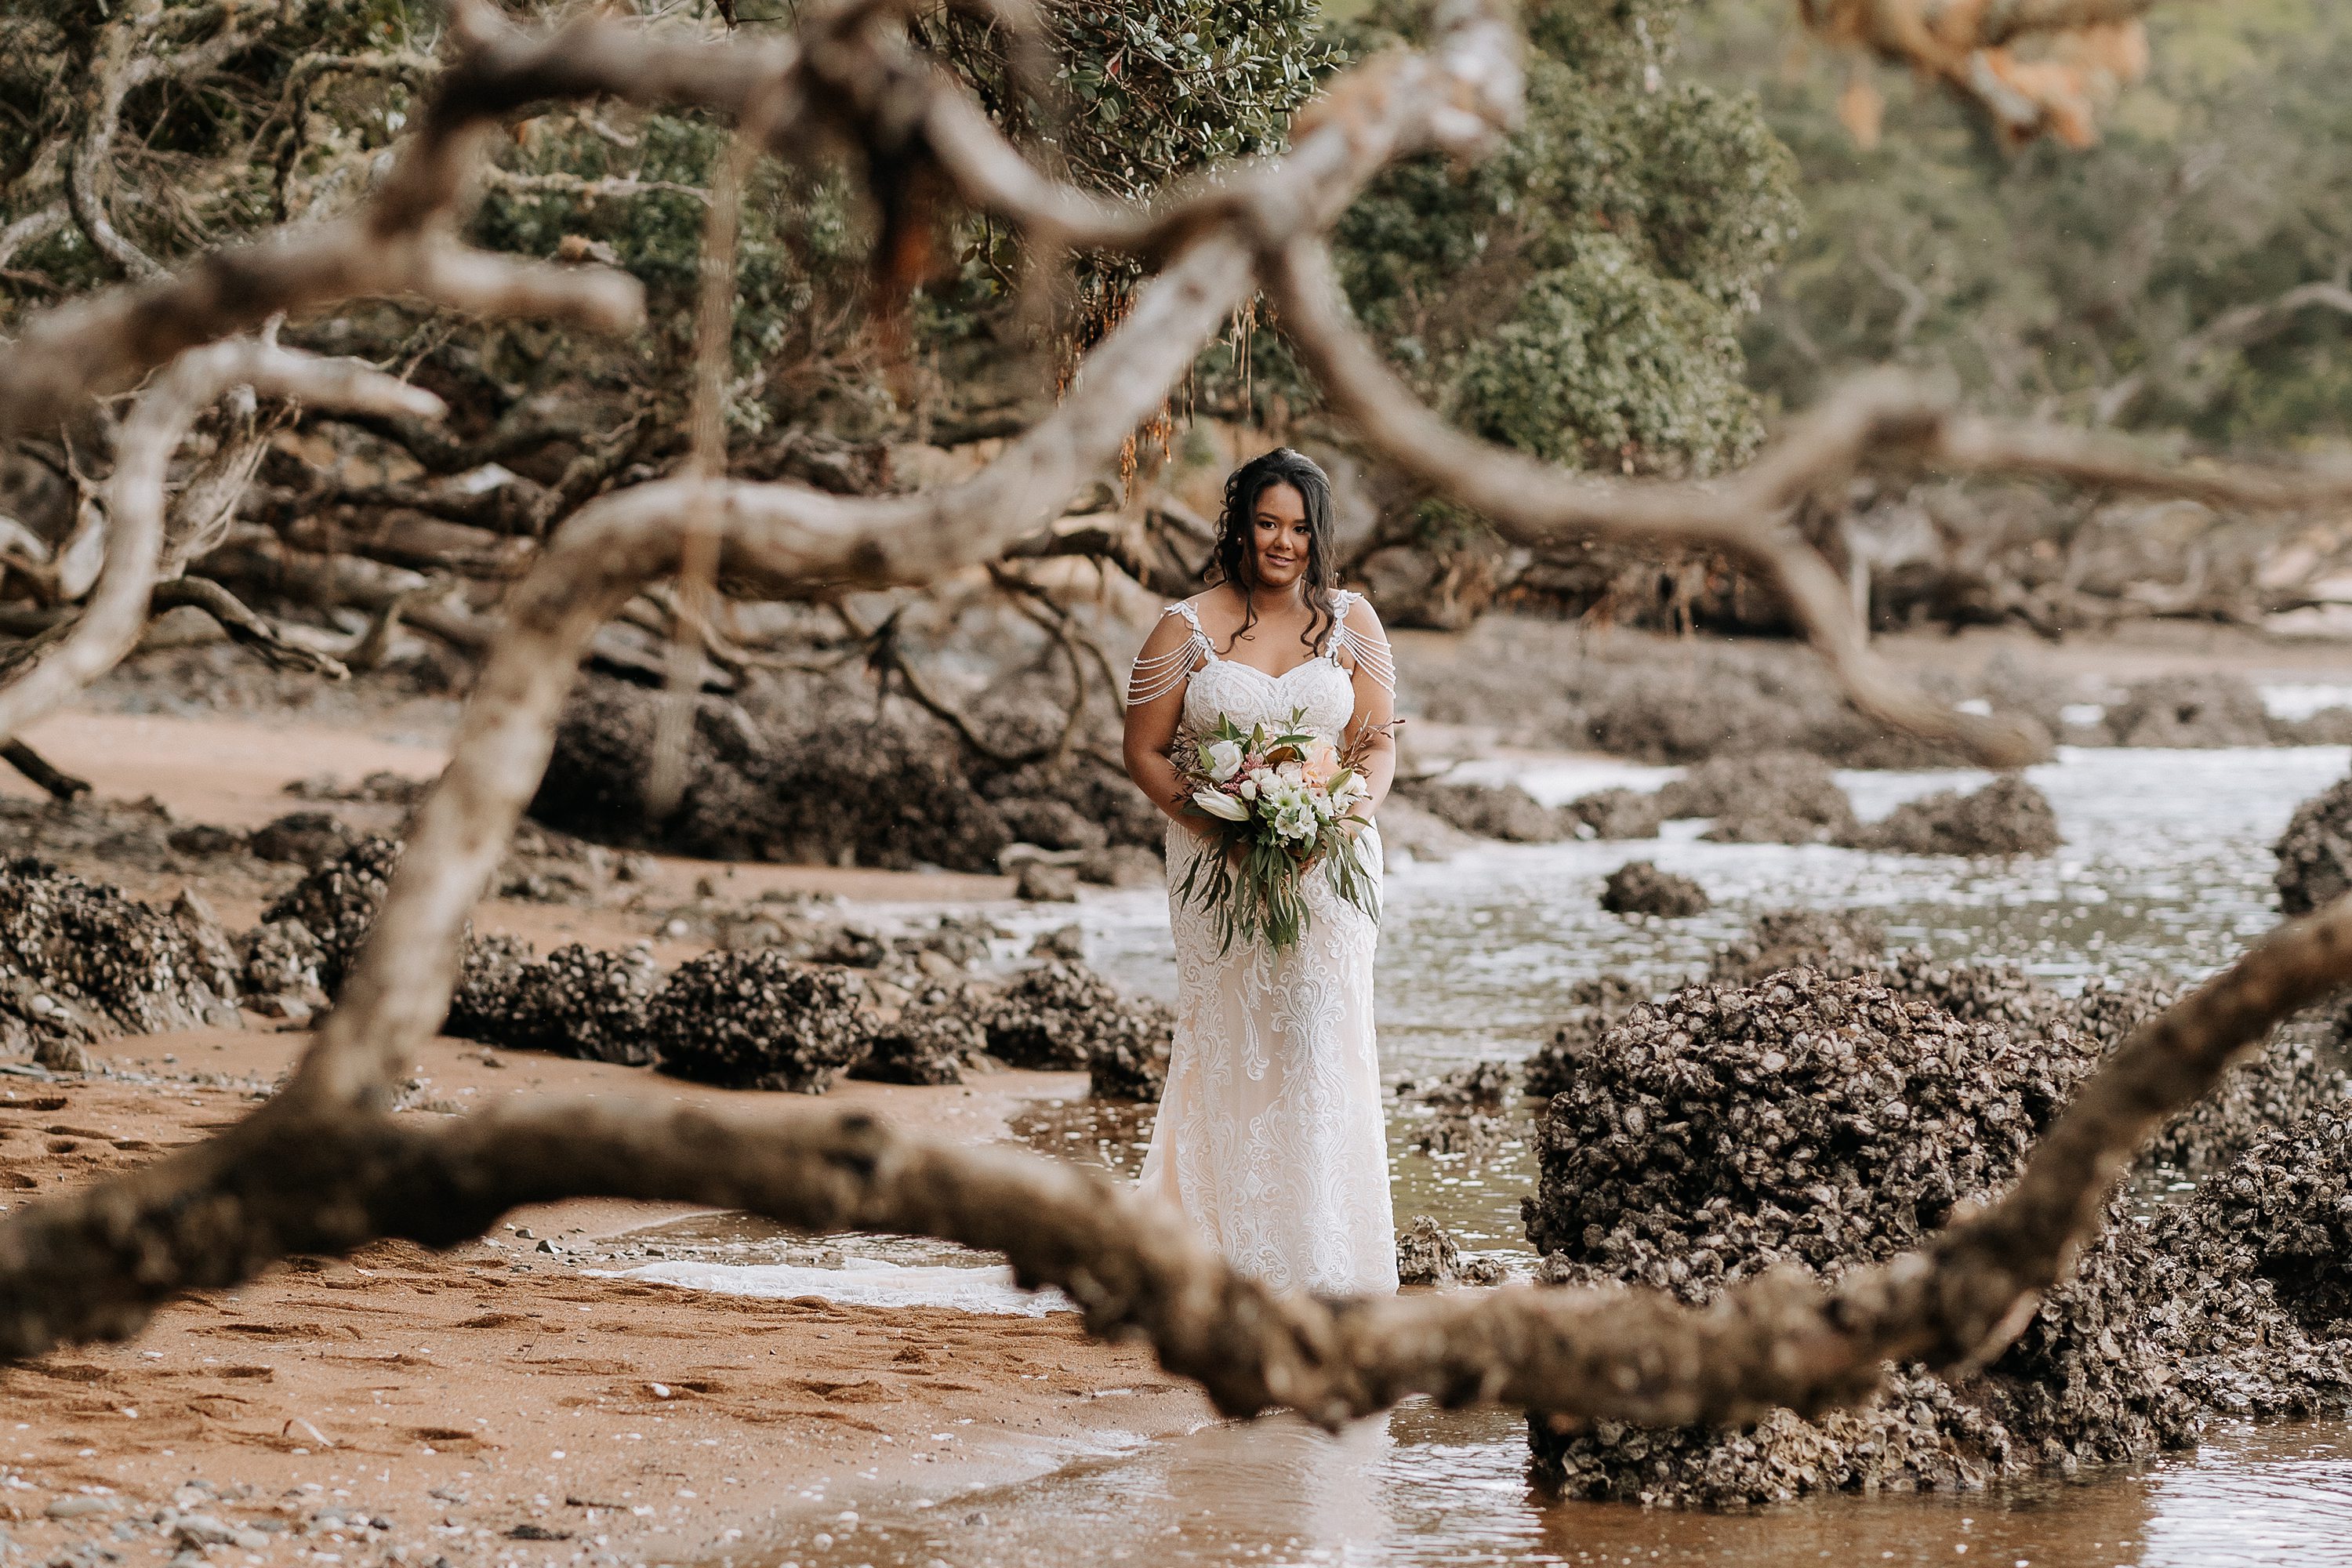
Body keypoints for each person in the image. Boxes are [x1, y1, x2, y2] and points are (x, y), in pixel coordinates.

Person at [1120, 448, 1400, 1295]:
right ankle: (1218, 1252)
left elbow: (1377, 743)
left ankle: (1324, 1256)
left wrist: (1344, 815)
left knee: (1320, 1039)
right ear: (1239, 526)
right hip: (1217, 865)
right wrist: (1222, 825)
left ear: (1320, 537)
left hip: (1332, 865)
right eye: (1268, 523)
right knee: (1232, 1040)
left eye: (1301, 528)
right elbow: (1144, 748)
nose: (1284, 542)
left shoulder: (1354, 623)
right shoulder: (1186, 626)